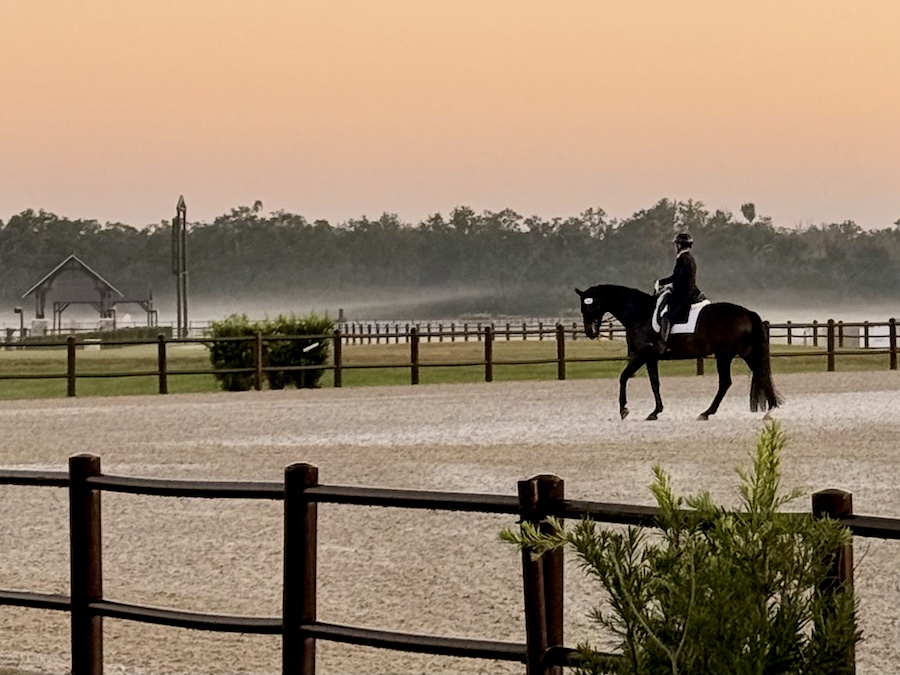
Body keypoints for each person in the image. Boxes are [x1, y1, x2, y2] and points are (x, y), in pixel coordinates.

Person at [655, 231, 704, 353]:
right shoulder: (689, 258)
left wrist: (664, 284)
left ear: (679, 245)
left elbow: (677, 278)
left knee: (666, 314)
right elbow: (678, 278)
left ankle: (663, 343)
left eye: (676, 244)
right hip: (688, 291)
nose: (675, 247)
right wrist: (666, 284)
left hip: (684, 295)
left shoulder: (683, 259)